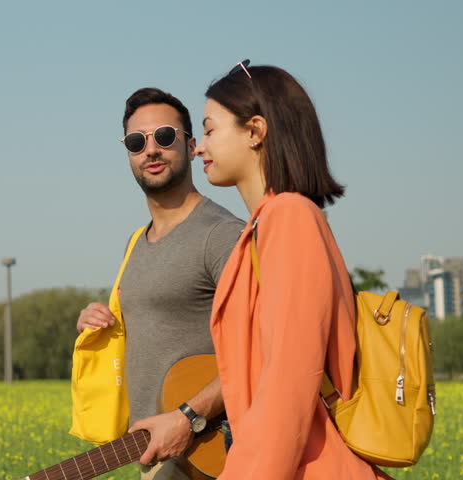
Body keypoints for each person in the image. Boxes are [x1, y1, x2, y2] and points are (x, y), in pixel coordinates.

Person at [194, 61, 393, 479]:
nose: (199, 146)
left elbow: (289, 378)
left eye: (210, 130)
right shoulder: (267, 223)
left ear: (255, 131)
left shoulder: (289, 218)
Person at [75, 88, 244, 480]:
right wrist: (96, 322)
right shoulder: (136, 242)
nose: (151, 150)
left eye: (164, 137)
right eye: (137, 142)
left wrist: (189, 418)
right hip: (156, 459)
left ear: (189, 145)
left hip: (211, 457)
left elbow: (263, 350)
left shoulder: (220, 235)